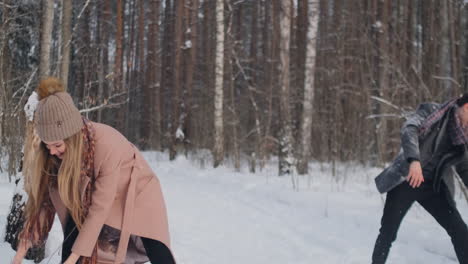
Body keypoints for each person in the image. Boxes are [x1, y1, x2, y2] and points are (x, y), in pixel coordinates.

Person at [12, 77, 176, 264]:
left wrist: (73, 259)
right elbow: (44, 203)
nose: (52, 151)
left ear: (72, 137)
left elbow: (99, 209)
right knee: (74, 233)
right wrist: (21, 251)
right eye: (47, 146)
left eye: (57, 145)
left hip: (137, 192)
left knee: (155, 246)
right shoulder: (54, 156)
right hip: (89, 198)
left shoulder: (106, 144)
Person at [372, 94, 468, 264]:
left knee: (460, 231)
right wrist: (414, 160)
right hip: (407, 179)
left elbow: (464, 168)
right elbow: (409, 129)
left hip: (433, 186)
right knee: (388, 232)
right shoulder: (432, 110)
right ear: (466, 107)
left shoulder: (462, 136)